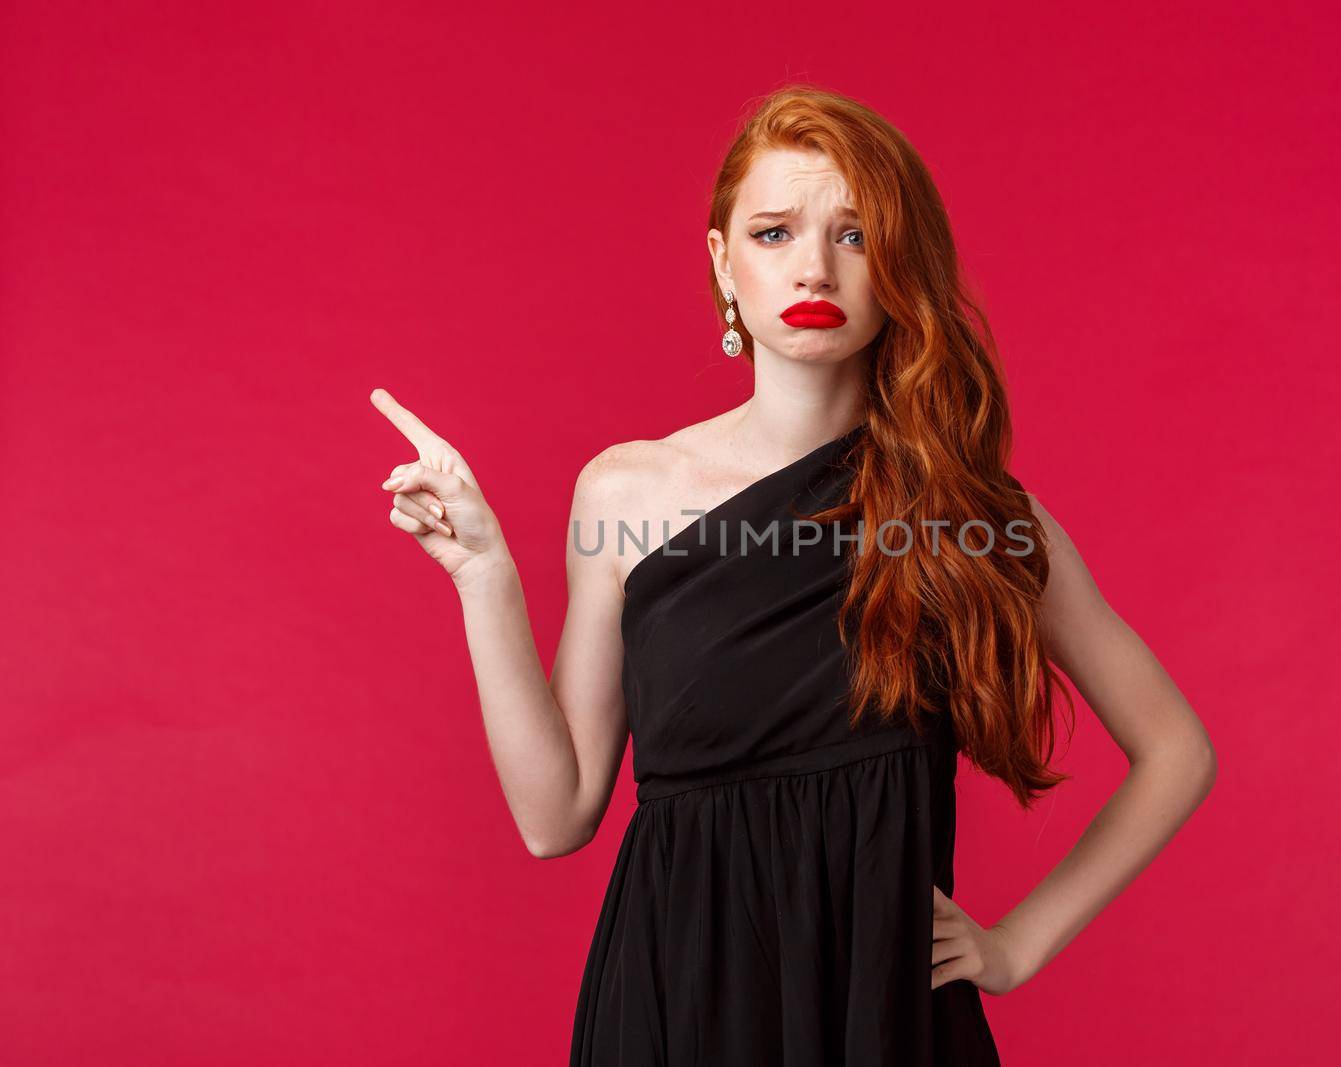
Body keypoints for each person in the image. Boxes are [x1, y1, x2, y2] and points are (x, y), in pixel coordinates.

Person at [370, 84, 1216, 1066]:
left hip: (882, 1015)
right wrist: (485, 577)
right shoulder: (625, 491)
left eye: (854, 235)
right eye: (773, 233)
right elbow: (554, 815)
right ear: (724, 263)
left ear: (899, 264)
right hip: (673, 1008)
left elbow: (1175, 748)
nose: (813, 264)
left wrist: (1016, 944)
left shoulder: (968, 516)